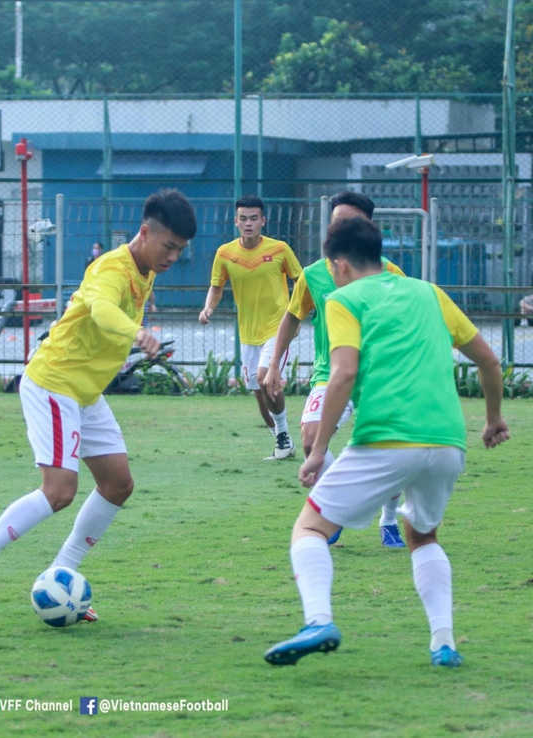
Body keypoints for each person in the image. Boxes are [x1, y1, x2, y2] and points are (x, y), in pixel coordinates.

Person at [263, 216, 509, 669]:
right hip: (448, 443)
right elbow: (489, 361)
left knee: (310, 528)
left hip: (387, 439)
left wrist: (318, 452)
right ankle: (443, 643)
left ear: (337, 265)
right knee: (424, 534)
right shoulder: (429, 292)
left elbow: (344, 373)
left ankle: (318, 620)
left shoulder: (343, 298)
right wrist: (492, 419)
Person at [0, 189, 197, 618]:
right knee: (59, 491)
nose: (172, 257)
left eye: (180, 250)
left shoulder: (146, 267)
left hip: (84, 392)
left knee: (118, 484)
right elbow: (99, 309)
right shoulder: (112, 267)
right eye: (168, 246)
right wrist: (135, 333)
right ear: (145, 231)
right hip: (55, 382)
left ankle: (62, 576)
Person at [262, 191, 408, 549]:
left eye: (349, 222)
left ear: (367, 228)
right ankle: (337, 512)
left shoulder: (390, 273)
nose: (339, 228)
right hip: (332, 371)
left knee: (392, 448)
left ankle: (389, 521)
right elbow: (294, 317)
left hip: (379, 373)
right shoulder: (314, 274)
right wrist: (273, 367)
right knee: (312, 439)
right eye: (335, 221)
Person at [199, 195, 303, 460]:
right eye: (243, 219)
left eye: (254, 219)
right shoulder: (225, 253)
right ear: (236, 221)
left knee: (267, 378)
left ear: (263, 221)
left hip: (277, 328)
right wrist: (208, 308)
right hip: (248, 334)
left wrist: (296, 318)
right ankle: (283, 439)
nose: (248, 223)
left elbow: (301, 283)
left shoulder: (280, 249)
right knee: (259, 393)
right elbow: (216, 287)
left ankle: (283, 439)